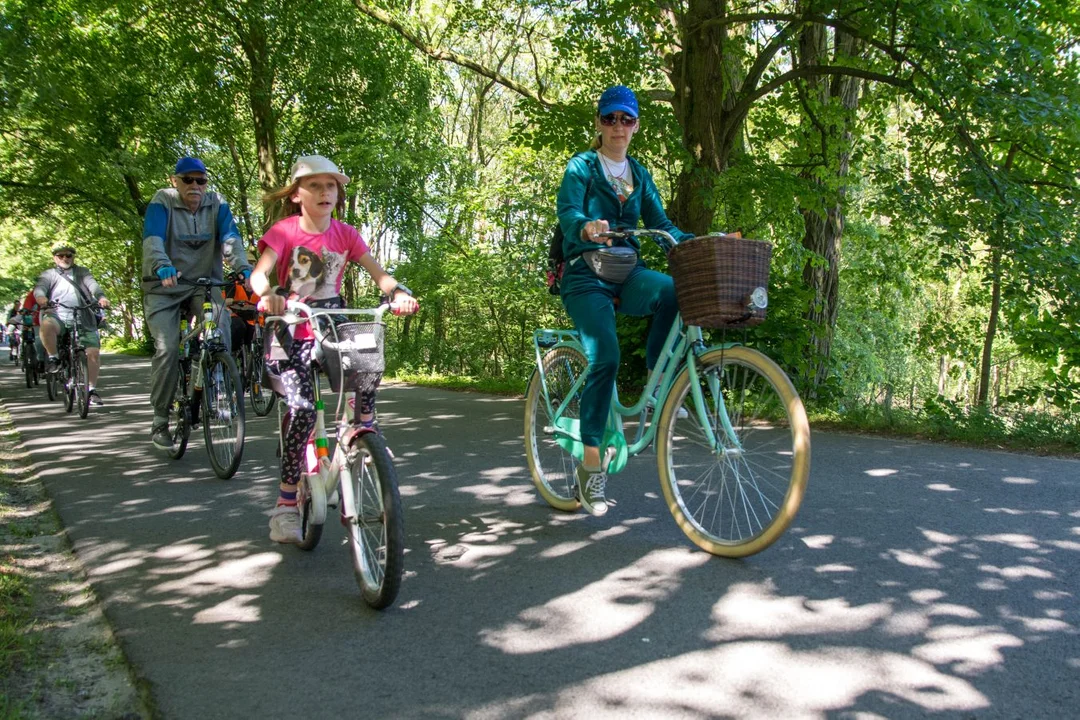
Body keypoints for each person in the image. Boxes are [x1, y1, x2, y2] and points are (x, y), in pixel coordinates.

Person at [251, 154, 418, 545]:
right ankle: (287, 505)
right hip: (290, 324)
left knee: (366, 355)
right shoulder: (284, 231)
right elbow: (260, 273)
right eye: (315, 185)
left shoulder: (346, 233)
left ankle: (366, 429)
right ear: (296, 195)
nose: (326, 192)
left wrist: (396, 291)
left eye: (331, 185)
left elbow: (379, 273)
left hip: (330, 321)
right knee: (303, 410)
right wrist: (271, 294)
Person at [555, 85, 695, 516]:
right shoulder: (581, 166)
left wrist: (702, 243)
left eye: (627, 119)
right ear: (599, 122)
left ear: (636, 126)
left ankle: (654, 387)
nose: (618, 126)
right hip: (584, 275)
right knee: (607, 356)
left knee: (674, 291)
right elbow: (567, 213)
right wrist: (585, 226)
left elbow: (663, 225)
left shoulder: (639, 172)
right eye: (610, 118)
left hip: (626, 272)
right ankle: (591, 463)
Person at [142, 156, 252, 449]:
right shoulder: (162, 201)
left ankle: (216, 390)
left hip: (204, 283)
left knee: (220, 322)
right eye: (187, 180)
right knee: (167, 348)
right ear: (174, 181)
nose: (194, 186)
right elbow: (152, 239)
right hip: (164, 285)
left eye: (200, 180)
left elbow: (231, 239)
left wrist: (243, 268)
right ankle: (160, 420)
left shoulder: (216, 203)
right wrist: (161, 264)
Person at [33, 244, 110, 404]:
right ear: (55, 257)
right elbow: (40, 288)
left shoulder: (83, 272)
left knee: (93, 352)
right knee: (46, 325)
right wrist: (41, 298)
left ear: (73, 257)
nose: (65, 258)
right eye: (61, 256)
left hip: (83, 316)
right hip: (58, 315)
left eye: (68, 255)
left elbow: (93, 285)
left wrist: (101, 297)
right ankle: (54, 359)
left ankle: (91, 390)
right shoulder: (49, 274)